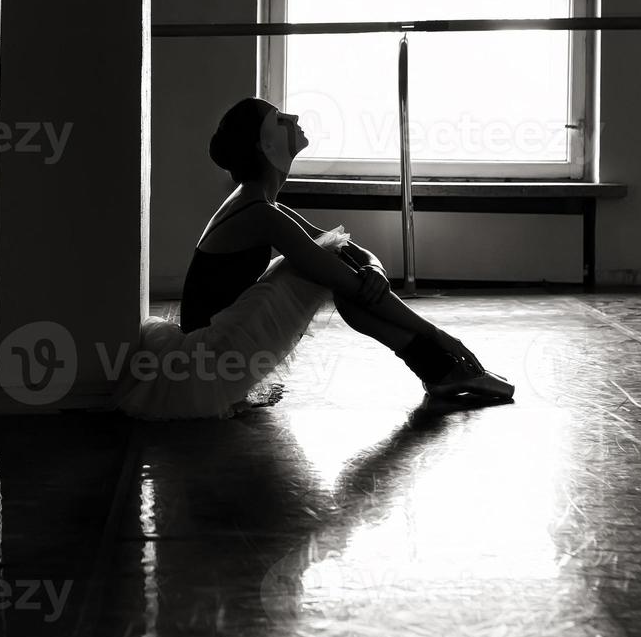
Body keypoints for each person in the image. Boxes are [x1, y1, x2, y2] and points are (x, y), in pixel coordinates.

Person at [113, 97, 512, 420]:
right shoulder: (259, 212)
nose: (295, 118)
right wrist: (443, 335)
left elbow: (342, 246)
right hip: (208, 364)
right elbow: (339, 269)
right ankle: (443, 364)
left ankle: (439, 369)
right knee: (328, 270)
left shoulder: (258, 200)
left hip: (214, 353)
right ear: (265, 144)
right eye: (281, 119)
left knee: (331, 260)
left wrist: (372, 266)